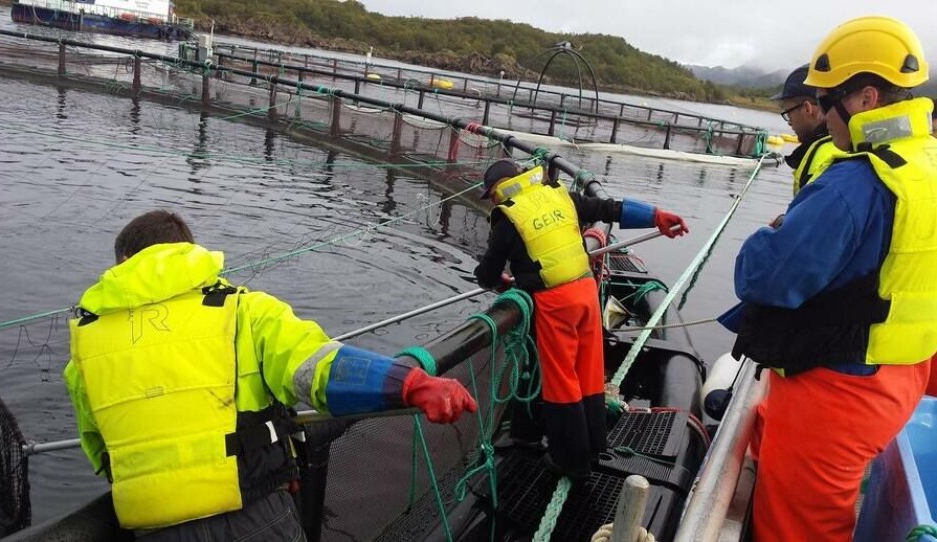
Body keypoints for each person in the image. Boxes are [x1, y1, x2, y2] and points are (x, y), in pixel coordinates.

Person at [64, 210, 478, 541]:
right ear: (189, 253)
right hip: (253, 511)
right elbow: (320, 370)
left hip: (154, 523)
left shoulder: (86, 342)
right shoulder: (242, 310)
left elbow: (99, 448)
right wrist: (413, 384)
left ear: (123, 263)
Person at [718, 15, 936, 542]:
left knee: (799, 529)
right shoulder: (923, 161)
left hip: (838, 393)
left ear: (864, 97)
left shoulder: (856, 181)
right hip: (901, 373)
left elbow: (765, 276)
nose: (818, 111)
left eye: (824, 97)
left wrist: (764, 239)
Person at [473, 158, 688, 478]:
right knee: (588, 371)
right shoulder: (559, 194)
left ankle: (571, 461)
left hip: (554, 303)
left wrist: (498, 283)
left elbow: (488, 272)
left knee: (562, 381)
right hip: (586, 291)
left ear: (498, 190)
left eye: (490, 194)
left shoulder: (508, 215)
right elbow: (606, 209)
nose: (492, 200)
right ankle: (594, 445)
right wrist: (656, 216)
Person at [772, 63, 837, 196]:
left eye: (788, 114)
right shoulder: (843, 145)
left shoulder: (823, 157)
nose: (790, 123)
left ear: (807, 109)